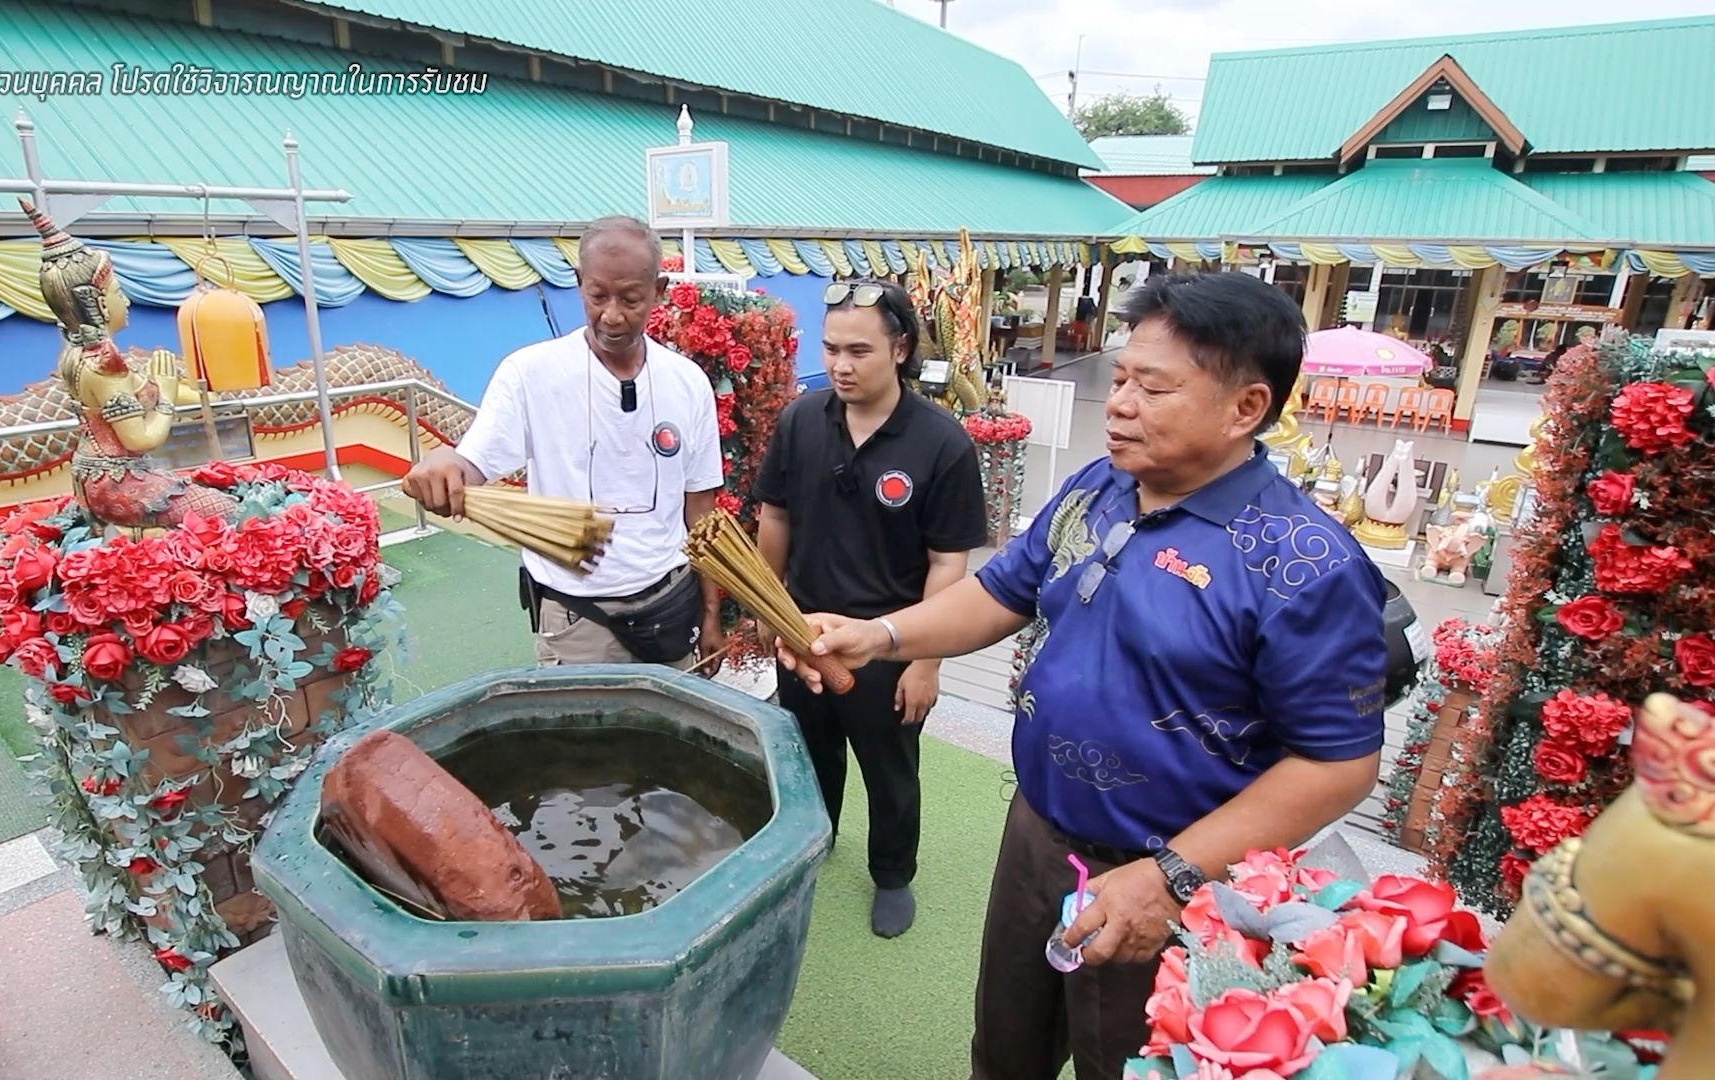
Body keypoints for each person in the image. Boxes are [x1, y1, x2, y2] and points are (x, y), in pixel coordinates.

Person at [780, 271, 1387, 1078]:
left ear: (1246, 407)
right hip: (1038, 831)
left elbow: (1338, 763)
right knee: (1005, 1049)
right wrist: (881, 635)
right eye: (1121, 378)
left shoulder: (1302, 563)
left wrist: (1171, 877)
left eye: (1153, 388)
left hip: (1172, 876)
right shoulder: (1099, 488)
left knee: (1124, 1063)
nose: (1120, 405)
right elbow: (1002, 592)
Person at [752, 279, 987, 938]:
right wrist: (769, 607)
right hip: (803, 632)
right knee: (806, 756)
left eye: (859, 351)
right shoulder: (801, 421)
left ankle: (892, 874)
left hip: (890, 644)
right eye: (831, 349)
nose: (841, 365)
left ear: (900, 349)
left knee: (890, 771)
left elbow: (948, 563)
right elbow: (776, 517)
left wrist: (925, 661)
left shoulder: (941, 443)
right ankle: (813, 841)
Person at [402, 216, 727, 673]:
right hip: (577, 621)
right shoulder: (530, 374)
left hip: (670, 608)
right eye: (597, 296)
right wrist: (444, 464)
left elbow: (701, 512)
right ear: (578, 283)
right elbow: (471, 463)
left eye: (631, 299)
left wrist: (710, 615)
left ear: (658, 291)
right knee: (579, 724)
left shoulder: (688, 382)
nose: (612, 315)